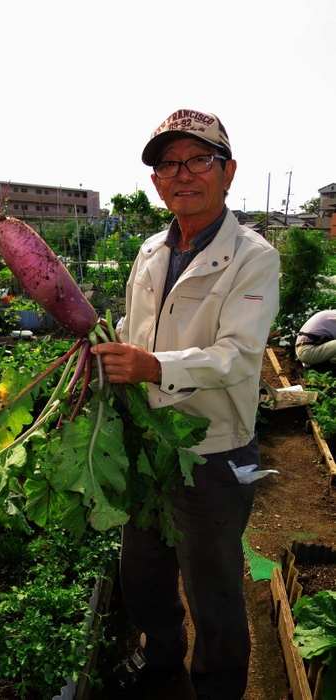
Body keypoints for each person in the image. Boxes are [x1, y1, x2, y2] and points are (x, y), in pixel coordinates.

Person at [90, 108, 280, 700]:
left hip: (213, 452)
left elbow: (239, 356)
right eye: (169, 164)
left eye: (200, 159)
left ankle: (219, 687)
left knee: (214, 586)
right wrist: (107, 349)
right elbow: (135, 326)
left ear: (228, 172)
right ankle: (162, 657)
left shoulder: (253, 255)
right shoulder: (150, 251)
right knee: (142, 572)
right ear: (156, 183)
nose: (183, 174)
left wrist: (153, 368)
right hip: (147, 444)